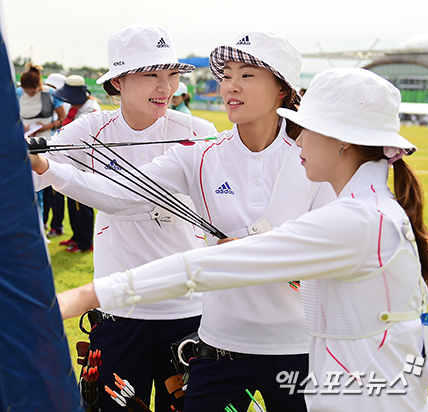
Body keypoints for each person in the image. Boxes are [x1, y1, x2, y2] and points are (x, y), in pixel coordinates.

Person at [51, 67, 428, 412]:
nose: (298, 141)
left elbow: (212, 265)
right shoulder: (370, 210)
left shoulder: (359, 220)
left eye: (306, 129)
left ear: (343, 140)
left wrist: (84, 297)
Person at [31, 30, 335, 411]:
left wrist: (261, 252)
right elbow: (120, 195)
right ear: (118, 82)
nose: (230, 86)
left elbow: (334, 246)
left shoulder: (310, 156)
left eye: (247, 75)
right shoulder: (200, 154)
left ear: (282, 88)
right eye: (225, 76)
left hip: (295, 346)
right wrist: (44, 165)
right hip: (217, 347)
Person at [32, 23, 217, 412]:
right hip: (120, 310)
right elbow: (27, 175)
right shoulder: (90, 130)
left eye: (171, 75)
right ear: (117, 81)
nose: (164, 87)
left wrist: (47, 167)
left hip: (188, 310)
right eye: (151, 75)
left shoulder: (197, 132)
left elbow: (129, 199)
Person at [49, 75, 101, 251]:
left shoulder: (90, 110)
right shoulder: (77, 107)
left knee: (82, 205)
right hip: (73, 162)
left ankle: (85, 243)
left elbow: (77, 137)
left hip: (84, 164)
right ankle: (76, 237)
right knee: (72, 202)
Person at [17, 63, 66, 225]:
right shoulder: (18, 93)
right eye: (26, 91)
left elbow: (62, 119)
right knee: (27, 184)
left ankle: (42, 223)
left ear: (39, 85)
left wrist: (46, 126)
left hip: (45, 143)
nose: (28, 94)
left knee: (43, 185)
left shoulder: (51, 95)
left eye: (32, 92)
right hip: (23, 142)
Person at [42, 73, 70, 236]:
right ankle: (47, 222)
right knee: (48, 193)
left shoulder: (61, 102)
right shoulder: (56, 98)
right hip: (48, 149)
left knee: (55, 192)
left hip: (56, 150)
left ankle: (56, 225)